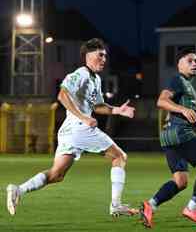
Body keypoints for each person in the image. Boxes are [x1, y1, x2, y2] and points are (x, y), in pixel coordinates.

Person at [6, 38, 138, 216]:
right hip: (78, 127)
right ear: (87, 56)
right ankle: (116, 205)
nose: (104, 59)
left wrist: (117, 111)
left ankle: (18, 190)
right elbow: (62, 95)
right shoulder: (81, 73)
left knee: (56, 175)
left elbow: (98, 106)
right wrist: (84, 117)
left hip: (69, 131)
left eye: (105, 56)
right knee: (119, 157)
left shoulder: (95, 79)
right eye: (100, 55)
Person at [140, 49, 196, 228]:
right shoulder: (178, 80)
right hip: (180, 133)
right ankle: (192, 208)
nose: (195, 64)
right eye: (190, 61)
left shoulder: (187, 85)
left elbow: (181, 114)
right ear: (179, 64)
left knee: (180, 182)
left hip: (168, 135)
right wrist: (183, 110)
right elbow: (161, 101)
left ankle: (150, 205)